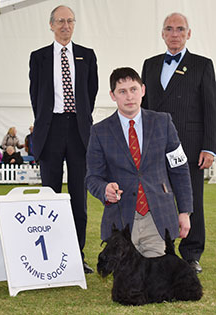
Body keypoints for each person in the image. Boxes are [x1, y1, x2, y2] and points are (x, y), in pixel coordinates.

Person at [86, 67, 193, 258]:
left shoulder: (163, 122)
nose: (129, 96)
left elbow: (179, 168)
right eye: (122, 91)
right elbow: (93, 177)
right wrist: (104, 189)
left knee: (159, 284)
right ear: (113, 95)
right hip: (121, 221)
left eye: (133, 89)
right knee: (127, 286)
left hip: (158, 219)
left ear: (143, 90)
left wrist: (185, 211)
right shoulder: (99, 131)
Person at [141, 12, 216, 272]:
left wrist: (209, 146)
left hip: (190, 146)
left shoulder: (202, 65)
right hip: (155, 145)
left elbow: (211, 108)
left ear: (189, 34)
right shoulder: (149, 65)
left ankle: (191, 253)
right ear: (162, 33)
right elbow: (145, 107)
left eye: (180, 29)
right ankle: (159, 248)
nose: (175, 34)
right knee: (157, 197)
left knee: (191, 199)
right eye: (169, 29)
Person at [29, 5, 98, 273]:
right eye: (60, 21)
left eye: (70, 21)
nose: (65, 25)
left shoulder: (87, 56)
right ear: (51, 25)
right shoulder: (39, 57)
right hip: (51, 130)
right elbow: (36, 94)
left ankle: (77, 255)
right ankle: (51, 255)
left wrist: (79, 118)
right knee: (50, 196)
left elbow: (90, 93)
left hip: (79, 131)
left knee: (79, 199)